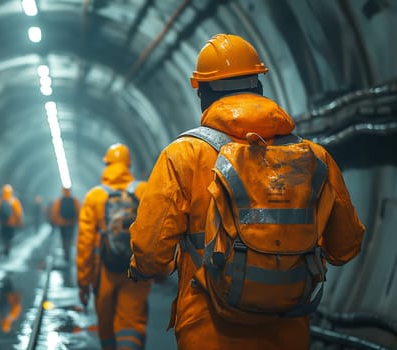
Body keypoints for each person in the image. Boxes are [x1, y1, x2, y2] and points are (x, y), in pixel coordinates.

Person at [127, 33, 366, 350]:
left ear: (203, 93)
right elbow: (345, 246)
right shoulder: (313, 157)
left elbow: (151, 252)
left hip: (209, 330)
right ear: (260, 86)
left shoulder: (184, 155)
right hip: (287, 330)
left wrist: (141, 270)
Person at [76, 143, 152, 350]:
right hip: (137, 269)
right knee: (132, 322)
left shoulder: (95, 196)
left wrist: (83, 281)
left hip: (104, 270)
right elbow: (157, 229)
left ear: (106, 164)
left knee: (107, 325)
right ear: (129, 164)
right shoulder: (144, 190)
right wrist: (160, 268)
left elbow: (85, 242)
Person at [50, 187, 81, 263]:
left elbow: (55, 211)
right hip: (71, 223)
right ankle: (68, 253)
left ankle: (65, 254)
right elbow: (79, 211)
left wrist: (54, 222)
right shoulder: (75, 201)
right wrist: (78, 221)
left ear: (62, 191)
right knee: (69, 239)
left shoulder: (59, 201)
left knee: (63, 239)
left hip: (62, 223)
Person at [0, 184, 23, 256]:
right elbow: (18, 213)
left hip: (3, 222)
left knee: (4, 236)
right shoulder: (14, 201)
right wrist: (19, 223)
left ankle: (5, 246)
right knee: (10, 236)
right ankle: (8, 247)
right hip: (11, 223)